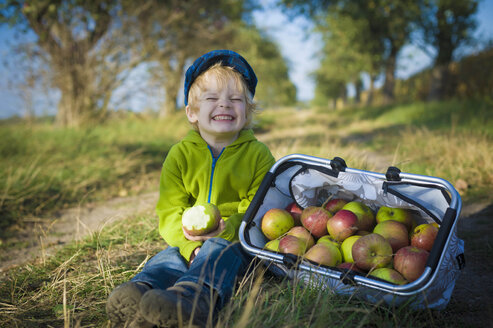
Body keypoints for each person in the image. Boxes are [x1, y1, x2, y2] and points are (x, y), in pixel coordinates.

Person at [106, 49, 275, 328]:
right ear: (192, 113)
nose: (224, 105)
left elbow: (259, 209)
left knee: (218, 254)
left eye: (235, 99)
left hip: (236, 243)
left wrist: (226, 232)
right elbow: (170, 210)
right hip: (189, 242)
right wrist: (187, 246)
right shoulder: (179, 155)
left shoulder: (259, 155)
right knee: (168, 257)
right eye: (212, 98)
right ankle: (141, 293)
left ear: (247, 112)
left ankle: (194, 299)